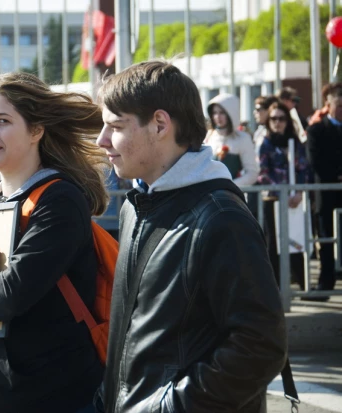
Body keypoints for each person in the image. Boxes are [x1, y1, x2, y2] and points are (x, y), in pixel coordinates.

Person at [96, 61, 287, 412]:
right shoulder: (136, 205)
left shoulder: (222, 217)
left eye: (115, 126)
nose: (102, 140)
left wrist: (166, 407)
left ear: (159, 124)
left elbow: (260, 346)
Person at [0, 72, 107, 413]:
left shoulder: (60, 200)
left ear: (36, 130)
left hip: (52, 398)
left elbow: (9, 294)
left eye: (3, 121)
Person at [257, 102, 310, 289]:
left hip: (295, 200)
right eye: (273, 118)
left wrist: (299, 192)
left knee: (296, 240)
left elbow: (303, 169)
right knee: (273, 243)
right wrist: (282, 192)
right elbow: (263, 173)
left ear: (287, 121)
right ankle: (275, 287)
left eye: (281, 118)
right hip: (273, 199)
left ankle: (303, 283)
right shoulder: (265, 143)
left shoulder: (295, 142)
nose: (277, 122)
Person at [306, 82, 342, 301]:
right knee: (326, 239)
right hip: (326, 196)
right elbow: (315, 161)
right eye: (337, 104)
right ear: (327, 105)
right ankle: (325, 283)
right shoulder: (316, 130)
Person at [204, 93, 258, 186]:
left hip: (232, 194)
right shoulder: (209, 136)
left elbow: (252, 174)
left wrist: (230, 186)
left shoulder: (242, 138)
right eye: (215, 113)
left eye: (222, 112)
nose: (217, 117)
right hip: (209, 193)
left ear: (230, 113)